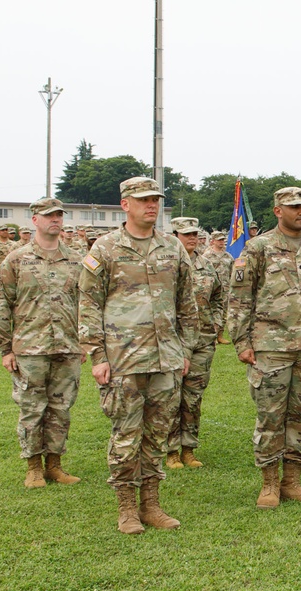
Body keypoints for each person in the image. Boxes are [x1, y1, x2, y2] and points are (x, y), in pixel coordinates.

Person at [79, 177, 198, 534]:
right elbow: (87, 305)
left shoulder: (172, 248)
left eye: (156, 199)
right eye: (144, 199)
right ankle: (127, 508)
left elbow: (187, 304)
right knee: (126, 435)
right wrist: (98, 355)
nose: (152, 205)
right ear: (124, 204)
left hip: (165, 359)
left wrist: (185, 349)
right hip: (123, 359)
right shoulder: (105, 249)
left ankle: (151, 504)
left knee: (157, 434)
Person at [227, 187, 301, 509]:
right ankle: (269, 484)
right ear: (278, 211)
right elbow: (239, 299)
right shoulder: (258, 247)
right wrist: (241, 342)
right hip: (270, 346)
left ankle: (293, 482)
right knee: (271, 416)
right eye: (294, 207)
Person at [0, 197, 83, 488]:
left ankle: (54, 464)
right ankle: (33, 467)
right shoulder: (17, 259)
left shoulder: (76, 259)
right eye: (49, 216)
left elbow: (86, 302)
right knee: (32, 408)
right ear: (35, 221)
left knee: (61, 409)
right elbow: (1, 300)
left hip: (67, 346)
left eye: (59, 215)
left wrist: (85, 342)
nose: (55, 220)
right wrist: (5, 347)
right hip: (29, 347)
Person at [166, 217, 225, 470]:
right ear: (174, 235)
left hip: (202, 340)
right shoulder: (165, 264)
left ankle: (188, 448)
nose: (192, 238)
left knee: (192, 398)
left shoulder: (206, 265)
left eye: (195, 234)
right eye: (186, 234)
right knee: (170, 397)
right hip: (172, 341)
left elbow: (219, 296)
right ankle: (169, 450)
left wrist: (216, 322)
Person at [203, 230, 234, 344]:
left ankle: (220, 335)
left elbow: (232, 272)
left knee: (224, 312)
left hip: (225, 288)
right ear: (213, 241)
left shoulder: (228, 256)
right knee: (211, 312)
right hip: (211, 288)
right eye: (219, 240)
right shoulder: (206, 256)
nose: (222, 242)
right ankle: (211, 335)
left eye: (223, 240)